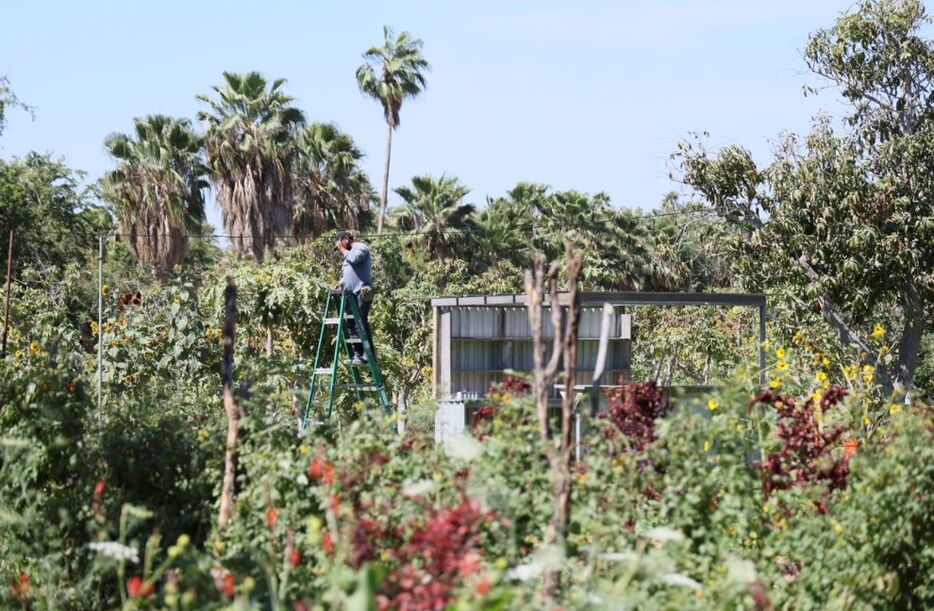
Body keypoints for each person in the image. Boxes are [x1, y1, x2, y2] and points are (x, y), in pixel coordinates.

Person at [332, 231, 374, 365]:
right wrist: (341, 282)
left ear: (345, 239)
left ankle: (368, 354)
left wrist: (343, 249)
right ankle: (358, 354)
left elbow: (355, 259)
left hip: (361, 292)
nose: (340, 250)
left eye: (340, 245)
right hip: (350, 293)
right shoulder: (348, 254)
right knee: (351, 324)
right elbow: (351, 272)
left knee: (360, 322)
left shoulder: (360, 247)